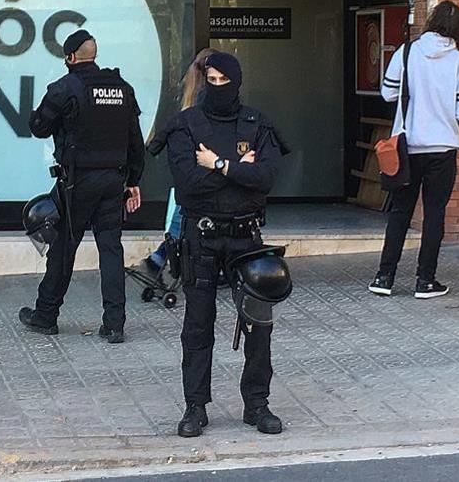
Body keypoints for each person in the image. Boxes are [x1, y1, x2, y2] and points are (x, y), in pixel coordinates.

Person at [157, 51, 290, 437]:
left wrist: (218, 164)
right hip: (202, 235)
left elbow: (266, 177)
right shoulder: (185, 125)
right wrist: (239, 169)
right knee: (198, 325)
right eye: (210, 80)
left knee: (259, 325)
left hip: (246, 236)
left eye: (223, 81)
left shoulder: (256, 123)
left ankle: (257, 404)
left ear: (236, 82)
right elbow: (187, 184)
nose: (217, 88)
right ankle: (195, 407)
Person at [18, 29, 145, 343]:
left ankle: (46, 315)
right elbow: (135, 142)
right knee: (111, 251)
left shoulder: (65, 88)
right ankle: (115, 324)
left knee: (62, 249)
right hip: (114, 181)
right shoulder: (122, 88)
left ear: (70, 58)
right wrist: (133, 181)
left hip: (77, 182)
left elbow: (37, 127)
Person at [369, 0, 459, 299]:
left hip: (407, 145)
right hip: (443, 147)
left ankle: (384, 277)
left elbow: (388, 93)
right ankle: (425, 280)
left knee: (400, 212)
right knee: (434, 213)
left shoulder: (406, 53)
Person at [138, 48, 215, 277]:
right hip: (204, 165)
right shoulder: (207, 100)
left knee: (184, 213)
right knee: (191, 214)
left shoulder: (186, 95)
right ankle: (161, 257)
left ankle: (160, 257)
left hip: (184, 167)